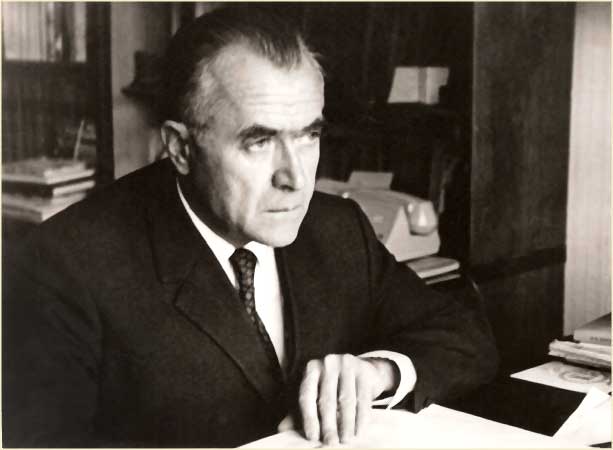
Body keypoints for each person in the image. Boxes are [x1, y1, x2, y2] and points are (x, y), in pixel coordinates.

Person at [3, 6, 498, 448]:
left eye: (308, 135)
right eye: (259, 142)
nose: (295, 178)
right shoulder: (63, 266)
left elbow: (466, 336)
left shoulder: (337, 228)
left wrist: (377, 373)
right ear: (180, 148)